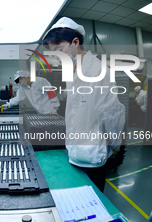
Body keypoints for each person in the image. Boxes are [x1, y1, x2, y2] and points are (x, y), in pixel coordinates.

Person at [42, 17, 125, 192]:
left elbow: (111, 116)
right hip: (73, 152)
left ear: (75, 42)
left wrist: (115, 145)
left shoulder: (98, 71)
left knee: (93, 207)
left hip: (92, 157)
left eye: (59, 50)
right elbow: (73, 114)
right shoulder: (73, 73)